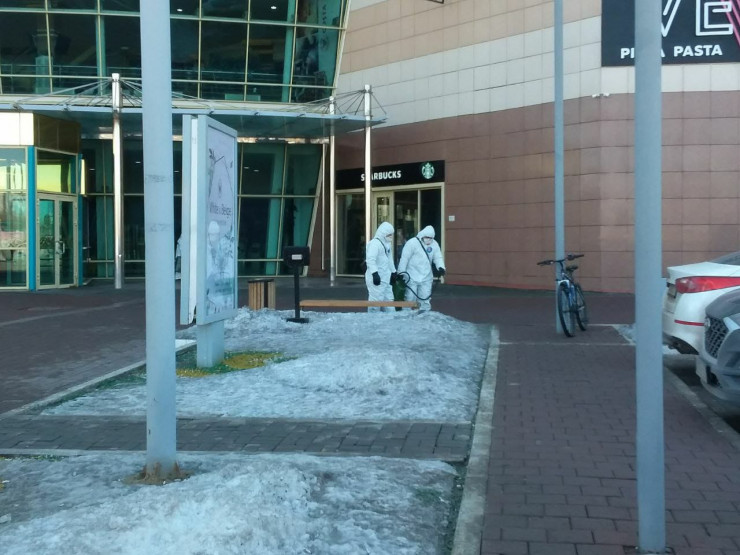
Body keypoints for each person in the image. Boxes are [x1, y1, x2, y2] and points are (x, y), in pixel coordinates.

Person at [397, 225, 446, 312]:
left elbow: (438, 257)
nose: (429, 240)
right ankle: (406, 317)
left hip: (426, 277)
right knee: (409, 299)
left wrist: (441, 267)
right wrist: (401, 272)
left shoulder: (434, 244)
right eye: (427, 237)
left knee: (425, 300)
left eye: (431, 238)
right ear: (422, 235)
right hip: (411, 276)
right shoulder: (412, 243)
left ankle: (424, 317)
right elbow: (404, 259)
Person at [364, 221, 397, 313]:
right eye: (389, 235)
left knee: (389, 301)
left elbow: (389, 259)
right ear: (383, 233)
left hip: (386, 277)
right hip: (376, 278)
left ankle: (390, 319)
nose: (390, 236)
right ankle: (373, 319)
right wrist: (375, 273)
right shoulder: (374, 244)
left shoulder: (387, 244)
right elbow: (370, 260)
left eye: (391, 234)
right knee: (375, 302)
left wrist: (393, 272)